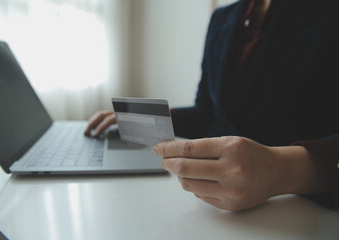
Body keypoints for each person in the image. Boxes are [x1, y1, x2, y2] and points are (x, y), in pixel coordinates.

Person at [85, 0, 339, 211]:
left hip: (303, 210)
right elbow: (207, 111)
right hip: (213, 204)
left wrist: (284, 169)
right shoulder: (223, 18)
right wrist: (142, 119)